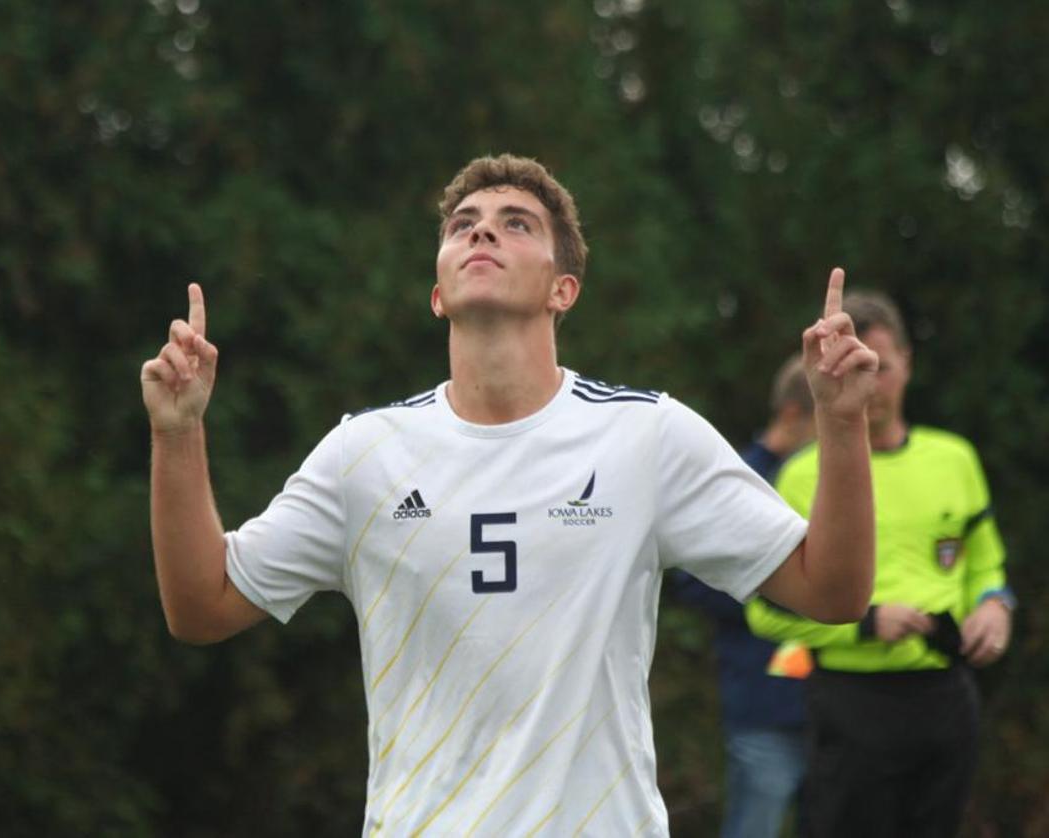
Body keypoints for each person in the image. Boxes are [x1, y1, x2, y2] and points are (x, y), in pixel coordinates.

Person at [140, 154, 879, 836]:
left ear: (565, 290)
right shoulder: (362, 455)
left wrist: (841, 423)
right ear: (438, 293)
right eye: (463, 225)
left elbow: (834, 591)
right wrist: (177, 435)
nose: (482, 230)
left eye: (515, 223)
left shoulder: (647, 436)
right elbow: (202, 606)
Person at [745, 290, 1013, 838]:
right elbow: (764, 614)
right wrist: (865, 623)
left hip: (945, 697)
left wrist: (995, 605)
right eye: (854, 365)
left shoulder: (954, 458)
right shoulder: (800, 476)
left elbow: (986, 564)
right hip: (851, 704)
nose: (870, 381)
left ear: (907, 365)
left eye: (881, 366)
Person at [675, 353, 815, 838]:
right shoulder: (738, 476)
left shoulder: (827, 482)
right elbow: (692, 581)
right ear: (794, 414)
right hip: (763, 702)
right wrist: (780, 587)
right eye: (825, 423)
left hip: (835, 703)